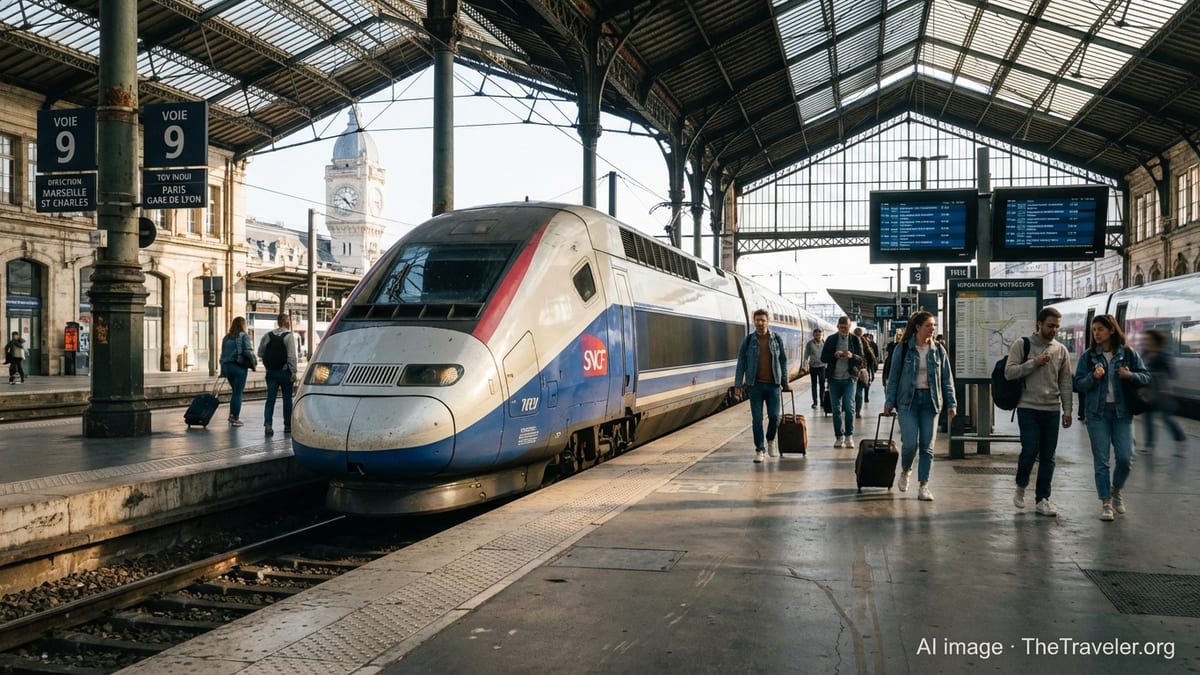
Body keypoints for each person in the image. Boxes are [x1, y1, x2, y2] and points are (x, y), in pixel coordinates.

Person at [1073, 314, 1150, 522]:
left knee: (1126, 458)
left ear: (1112, 330)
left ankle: (1116, 489)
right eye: (1094, 329)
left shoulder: (1128, 354)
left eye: (1100, 329)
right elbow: (1078, 384)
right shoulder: (1088, 357)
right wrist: (1092, 377)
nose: (1096, 333)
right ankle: (1106, 503)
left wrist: (1130, 375)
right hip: (1097, 414)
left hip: (1122, 413)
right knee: (1102, 461)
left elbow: (1146, 376)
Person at [1004, 307, 1074, 517]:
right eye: (1050, 325)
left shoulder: (1061, 350)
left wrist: (1068, 410)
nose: (1054, 330)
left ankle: (1043, 498)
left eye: (1057, 326)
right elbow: (1010, 372)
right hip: (1028, 407)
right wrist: (1035, 362)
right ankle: (1021, 485)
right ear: (1039, 324)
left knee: (1048, 456)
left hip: (1051, 408)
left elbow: (1065, 382)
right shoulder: (1022, 344)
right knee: (1030, 449)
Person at [883, 311, 956, 501]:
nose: (932, 329)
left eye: (933, 326)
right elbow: (893, 377)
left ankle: (924, 485)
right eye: (928, 325)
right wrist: (889, 401)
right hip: (908, 402)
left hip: (931, 403)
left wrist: (951, 403)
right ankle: (906, 470)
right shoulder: (904, 349)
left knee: (927, 446)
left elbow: (947, 378)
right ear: (917, 327)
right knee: (909, 445)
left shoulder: (938, 350)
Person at [734, 309, 791, 463]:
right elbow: (741, 364)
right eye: (757, 320)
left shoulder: (776, 339)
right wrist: (738, 384)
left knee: (774, 417)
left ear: (768, 321)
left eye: (762, 320)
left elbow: (783, 361)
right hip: (755, 386)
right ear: (754, 321)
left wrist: (784, 381)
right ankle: (760, 449)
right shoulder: (748, 341)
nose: (759, 323)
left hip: (773, 386)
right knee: (757, 420)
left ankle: (771, 440)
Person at [1141, 328, 1186, 456]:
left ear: (1155, 340)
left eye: (1148, 339)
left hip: (1162, 393)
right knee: (1147, 418)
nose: (1146, 341)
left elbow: (1172, 374)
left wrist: (1156, 374)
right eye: (1145, 339)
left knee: (1166, 419)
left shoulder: (1163, 355)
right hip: (1148, 392)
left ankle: (1180, 440)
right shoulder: (1144, 354)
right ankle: (1149, 446)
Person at [821, 316, 864, 448]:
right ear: (838, 326)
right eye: (841, 327)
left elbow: (861, 358)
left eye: (846, 327)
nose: (843, 329)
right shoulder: (831, 339)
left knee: (849, 407)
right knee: (836, 409)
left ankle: (849, 436)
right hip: (834, 379)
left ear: (849, 326)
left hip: (849, 378)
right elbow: (823, 357)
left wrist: (852, 356)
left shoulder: (855, 339)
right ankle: (839, 437)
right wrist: (835, 355)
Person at [258, 312, 299, 436]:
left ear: (278, 322)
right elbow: (292, 356)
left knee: (270, 399)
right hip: (285, 372)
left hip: (271, 372)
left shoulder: (268, 335)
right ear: (287, 323)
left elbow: (260, 352)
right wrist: (294, 372)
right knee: (287, 399)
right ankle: (287, 425)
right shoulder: (289, 336)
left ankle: (268, 425)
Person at [218, 316, 255, 427]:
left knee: (235, 392)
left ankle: (231, 415)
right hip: (239, 367)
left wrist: (222, 370)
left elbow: (223, 354)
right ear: (243, 325)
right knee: (237, 393)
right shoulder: (244, 336)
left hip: (227, 368)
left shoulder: (226, 338)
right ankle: (234, 418)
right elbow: (247, 351)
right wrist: (253, 360)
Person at [854, 327, 877, 416]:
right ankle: (857, 411)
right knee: (859, 391)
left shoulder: (850, 342)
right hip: (862, 370)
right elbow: (872, 356)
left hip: (852, 370)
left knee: (854, 391)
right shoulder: (865, 343)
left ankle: (852, 409)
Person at [803, 328, 827, 409]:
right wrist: (804, 366)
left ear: (822, 335)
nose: (818, 336)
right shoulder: (810, 344)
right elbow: (806, 355)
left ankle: (823, 402)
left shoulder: (824, 343)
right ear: (814, 335)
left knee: (822, 385)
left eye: (820, 335)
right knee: (814, 385)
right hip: (813, 367)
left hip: (822, 367)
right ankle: (815, 402)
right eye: (816, 335)